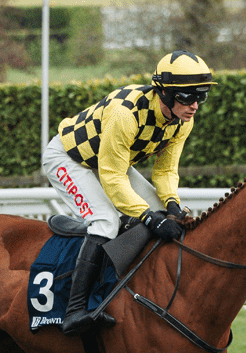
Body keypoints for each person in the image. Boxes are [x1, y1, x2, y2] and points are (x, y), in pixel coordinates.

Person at [44, 50, 214, 336]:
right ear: (165, 94)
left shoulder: (183, 120)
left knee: (164, 213)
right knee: (105, 220)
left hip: (108, 161)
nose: (195, 105)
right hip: (69, 158)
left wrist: (172, 205)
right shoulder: (126, 114)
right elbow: (111, 177)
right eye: (187, 97)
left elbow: (165, 171)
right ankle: (74, 311)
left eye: (201, 96)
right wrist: (148, 218)